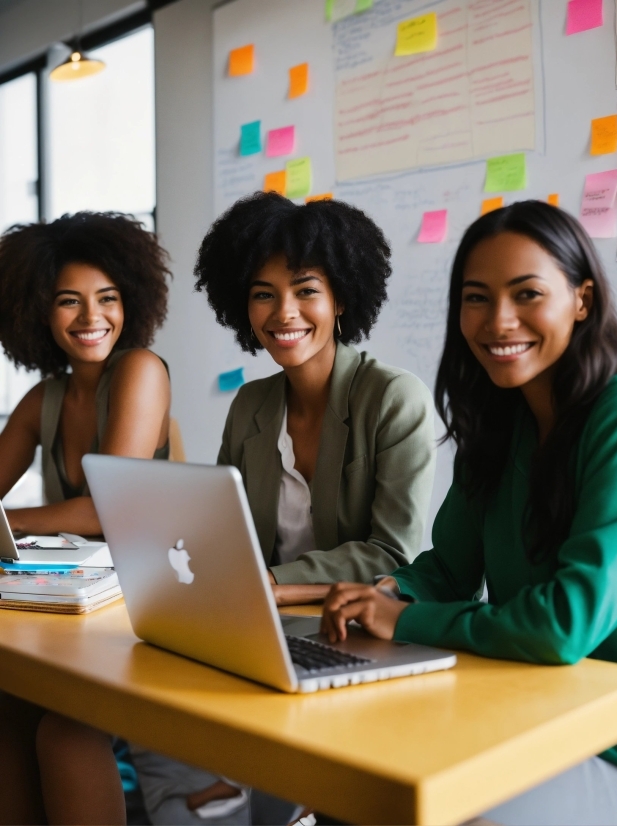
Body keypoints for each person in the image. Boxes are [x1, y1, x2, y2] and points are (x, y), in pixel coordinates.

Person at [322, 200, 617, 826]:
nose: (499, 321)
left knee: (449, 808)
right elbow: (448, 570)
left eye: (527, 293)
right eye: (477, 298)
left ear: (583, 300)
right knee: (353, 778)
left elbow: (562, 626)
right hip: (545, 711)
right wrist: (387, 592)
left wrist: (404, 621)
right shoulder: (500, 419)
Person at [129, 191, 436, 825]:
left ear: (342, 299)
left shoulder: (393, 398)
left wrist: (268, 584)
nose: (283, 312)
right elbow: (220, 528)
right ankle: (218, 799)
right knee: (145, 693)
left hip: (345, 630)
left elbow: (392, 552)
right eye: (263, 293)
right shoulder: (251, 407)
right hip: (259, 623)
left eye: (305, 290)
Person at [0, 212, 172, 825]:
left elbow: (108, 508)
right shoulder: (44, 398)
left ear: (131, 302)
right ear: (39, 313)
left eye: (107, 298)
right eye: (68, 302)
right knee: (7, 711)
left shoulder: (141, 372)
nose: (90, 317)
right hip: (76, 599)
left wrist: (11, 520)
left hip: (151, 603)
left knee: (60, 734)